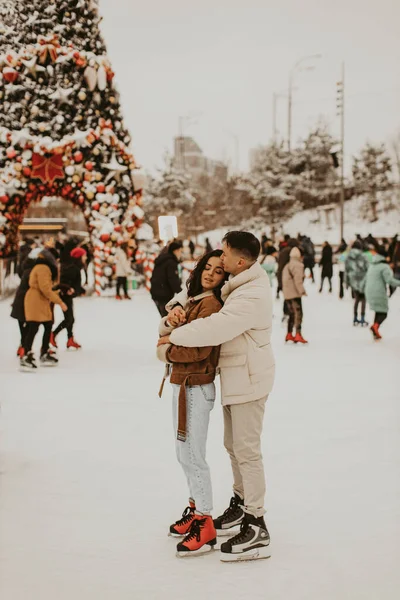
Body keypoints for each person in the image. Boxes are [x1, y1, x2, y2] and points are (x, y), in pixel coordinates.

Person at [158, 231, 274, 562]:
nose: (218, 260)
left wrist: (171, 340)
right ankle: (240, 504)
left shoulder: (251, 293)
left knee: (247, 451)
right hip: (236, 377)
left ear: (239, 261)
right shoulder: (235, 282)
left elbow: (216, 327)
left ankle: (257, 522)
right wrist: (173, 314)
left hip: (250, 379)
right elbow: (193, 292)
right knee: (233, 446)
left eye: (224, 254)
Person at [156, 250, 228, 557]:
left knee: (194, 456)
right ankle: (195, 508)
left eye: (218, 271)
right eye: (207, 267)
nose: (210, 273)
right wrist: (172, 325)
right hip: (183, 385)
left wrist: (166, 349)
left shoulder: (210, 304)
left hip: (196, 387)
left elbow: (198, 350)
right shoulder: (195, 300)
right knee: (182, 452)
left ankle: (205, 523)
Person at [20, 249, 67, 370]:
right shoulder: (43, 268)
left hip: (40, 301)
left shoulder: (41, 266)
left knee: (47, 325)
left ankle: (43, 351)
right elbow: (45, 288)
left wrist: (56, 292)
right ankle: (27, 354)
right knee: (33, 327)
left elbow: (46, 288)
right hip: (36, 301)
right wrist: (60, 302)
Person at [51, 247, 86, 350]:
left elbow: (74, 283)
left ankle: (70, 339)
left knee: (70, 319)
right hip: (65, 295)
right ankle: (53, 334)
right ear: (79, 257)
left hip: (68, 295)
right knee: (69, 319)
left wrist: (80, 290)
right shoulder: (72, 268)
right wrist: (68, 289)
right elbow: (63, 282)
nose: (86, 257)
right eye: (84, 255)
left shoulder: (75, 267)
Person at [365, 246, 400, 340]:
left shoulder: (372, 264)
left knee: (378, 311)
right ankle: (375, 327)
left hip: (369, 291)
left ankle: (375, 331)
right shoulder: (384, 266)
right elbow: (390, 280)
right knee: (384, 313)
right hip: (379, 292)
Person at [11, 254, 37, 357]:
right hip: (25, 304)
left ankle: (22, 347)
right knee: (29, 328)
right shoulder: (31, 273)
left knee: (23, 328)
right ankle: (24, 349)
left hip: (18, 304)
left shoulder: (25, 272)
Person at [282, 247, 308, 344]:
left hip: (287, 294)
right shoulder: (298, 265)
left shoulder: (287, 265)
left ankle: (289, 334)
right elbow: (298, 280)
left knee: (291, 314)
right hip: (295, 294)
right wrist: (302, 291)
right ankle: (298, 334)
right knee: (299, 314)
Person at [150, 240, 183, 317]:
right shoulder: (171, 262)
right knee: (167, 319)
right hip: (163, 294)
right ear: (175, 251)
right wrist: (182, 293)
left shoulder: (163, 259)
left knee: (164, 318)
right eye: (179, 251)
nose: (180, 253)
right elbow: (173, 280)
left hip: (156, 292)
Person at [345, 241, 369, 326]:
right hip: (363, 280)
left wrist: (346, 283)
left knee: (356, 299)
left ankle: (355, 318)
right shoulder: (363, 256)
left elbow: (346, 270)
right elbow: (367, 268)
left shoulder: (348, 257)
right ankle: (362, 318)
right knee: (363, 300)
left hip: (353, 280)